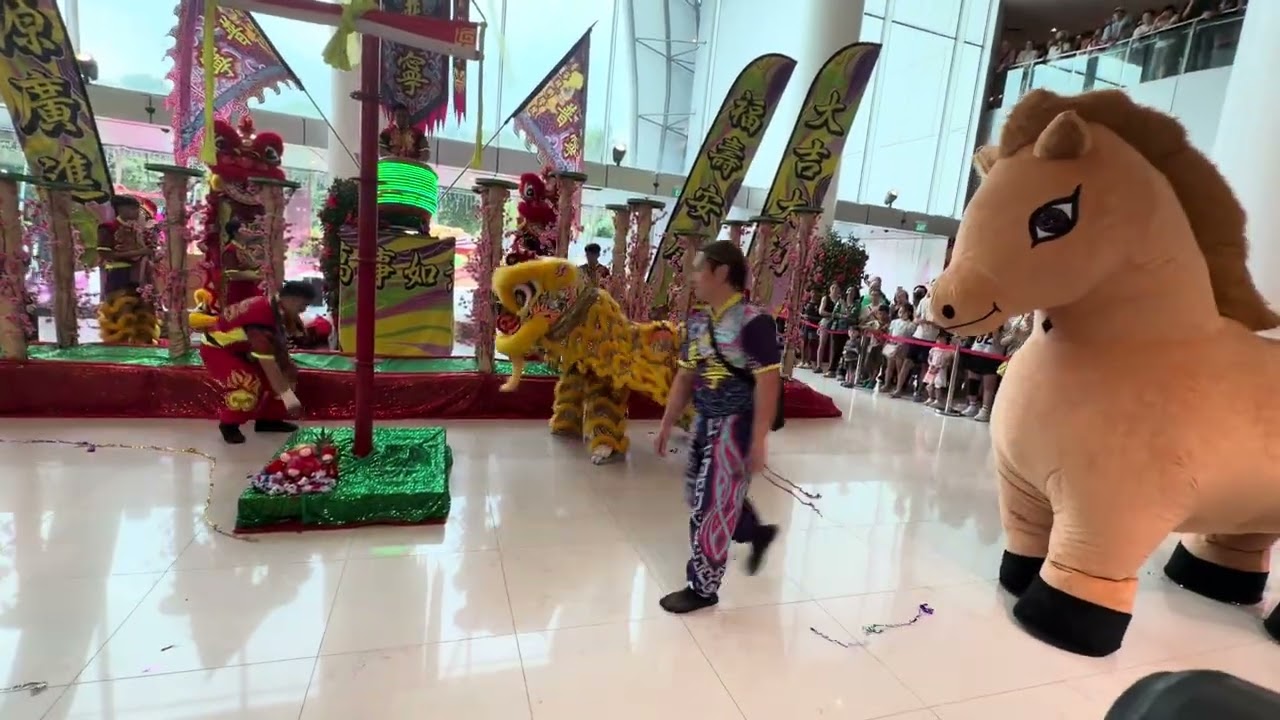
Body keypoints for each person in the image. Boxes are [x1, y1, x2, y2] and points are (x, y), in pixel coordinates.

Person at [654, 240, 780, 614]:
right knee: (704, 498)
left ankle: (703, 587)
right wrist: (666, 423)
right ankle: (756, 532)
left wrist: (757, 439)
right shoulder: (698, 322)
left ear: (721, 272)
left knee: (711, 506)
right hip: (704, 423)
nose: (692, 277)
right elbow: (685, 375)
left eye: (698, 269)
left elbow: (768, 383)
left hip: (735, 429)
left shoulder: (754, 321)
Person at [193, 281, 317, 444]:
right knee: (247, 382)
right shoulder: (260, 318)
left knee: (287, 372)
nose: (303, 310)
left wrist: (287, 369)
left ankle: (269, 420)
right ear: (292, 300)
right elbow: (268, 363)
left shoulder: (273, 307)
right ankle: (229, 425)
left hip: (245, 349)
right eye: (303, 305)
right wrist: (289, 398)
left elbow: (277, 350)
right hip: (218, 350)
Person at [894, 283, 939, 399]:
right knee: (907, 363)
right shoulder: (923, 301)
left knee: (925, 366)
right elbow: (916, 318)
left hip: (930, 339)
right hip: (917, 336)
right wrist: (921, 320)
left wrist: (930, 322)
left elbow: (941, 323)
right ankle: (898, 389)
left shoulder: (938, 303)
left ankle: (919, 391)